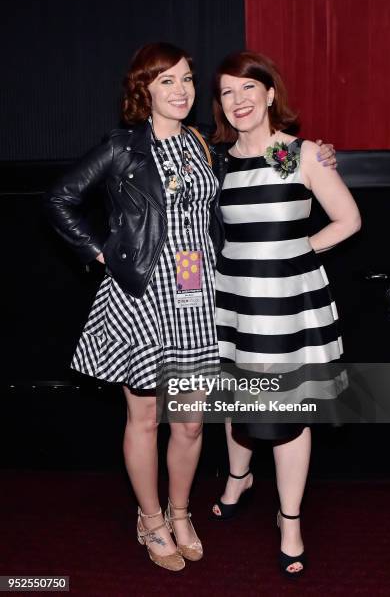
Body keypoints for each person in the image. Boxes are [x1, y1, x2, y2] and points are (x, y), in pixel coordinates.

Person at [44, 41, 336, 573]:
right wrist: (104, 254)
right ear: (144, 91)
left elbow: (275, 155)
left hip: (196, 296)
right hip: (140, 297)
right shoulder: (123, 147)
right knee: (145, 415)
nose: (180, 91)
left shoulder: (207, 146)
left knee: (191, 423)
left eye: (186, 80)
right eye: (166, 82)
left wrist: (314, 152)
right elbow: (60, 198)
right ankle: (150, 518)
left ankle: (181, 513)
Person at [210, 50, 361, 576]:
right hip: (233, 297)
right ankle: (238, 479)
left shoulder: (298, 155)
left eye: (248, 88)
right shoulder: (216, 159)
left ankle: (289, 518)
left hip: (288, 303)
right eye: (228, 92)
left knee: (290, 408)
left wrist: (302, 251)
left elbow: (348, 220)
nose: (239, 100)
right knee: (237, 393)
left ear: (270, 94)